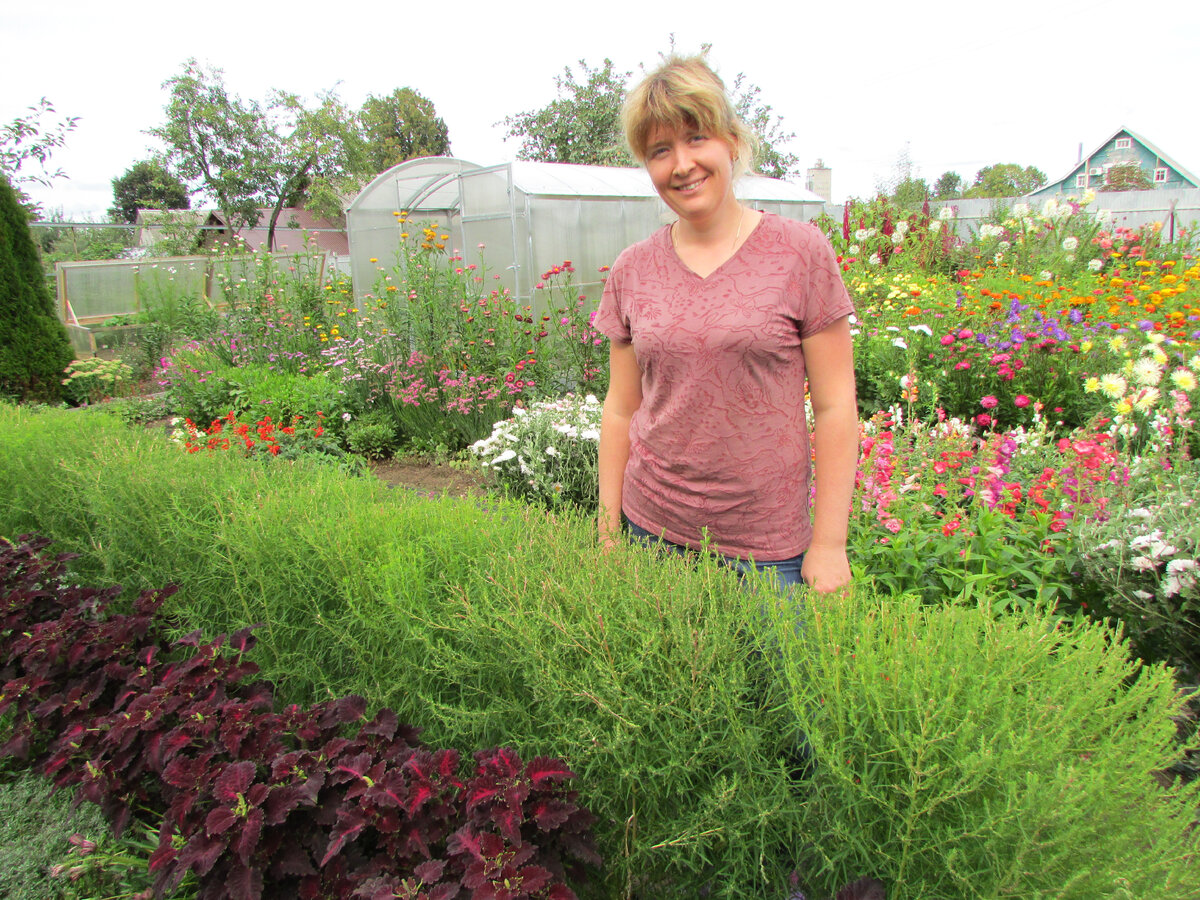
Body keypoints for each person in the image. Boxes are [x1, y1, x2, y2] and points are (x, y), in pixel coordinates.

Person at [593, 55, 858, 594]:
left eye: (695, 138)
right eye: (659, 150)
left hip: (766, 549)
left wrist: (829, 545)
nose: (681, 164)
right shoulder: (632, 268)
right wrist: (608, 530)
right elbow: (621, 408)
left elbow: (835, 407)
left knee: (779, 680)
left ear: (732, 141)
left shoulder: (800, 253)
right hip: (651, 531)